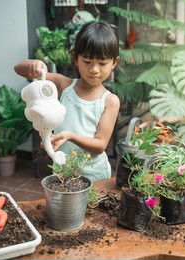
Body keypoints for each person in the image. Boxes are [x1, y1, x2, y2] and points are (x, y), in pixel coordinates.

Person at [14, 21, 120, 182]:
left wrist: (70, 136)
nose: (94, 69)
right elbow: (18, 69)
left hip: (95, 175)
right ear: (76, 58)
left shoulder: (110, 101)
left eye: (102, 63)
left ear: (114, 63)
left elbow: (100, 145)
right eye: (87, 61)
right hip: (63, 170)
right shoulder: (63, 86)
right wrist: (33, 65)